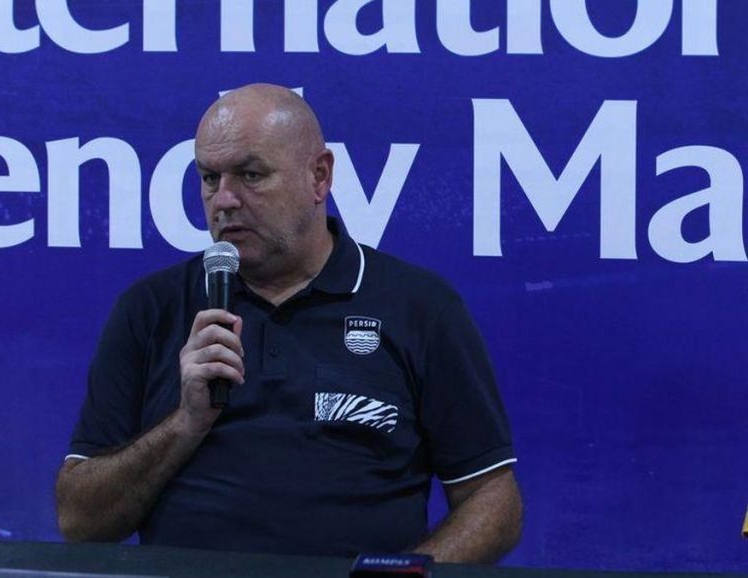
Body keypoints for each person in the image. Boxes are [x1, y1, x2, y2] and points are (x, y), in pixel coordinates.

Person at [55, 84, 522, 562]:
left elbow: (493, 500)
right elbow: (80, 521)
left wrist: (402, 576)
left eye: (251, 175)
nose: (224, 200)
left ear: (319, 177)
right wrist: (185, 423)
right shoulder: (152, 308)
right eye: (210, 178)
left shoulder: (418, 307)